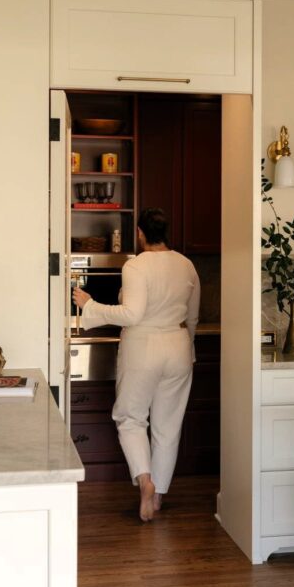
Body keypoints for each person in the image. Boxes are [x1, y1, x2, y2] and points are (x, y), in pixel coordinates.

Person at [72, 208, 200, 522]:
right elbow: (193, 316)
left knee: (130, 418)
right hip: (179, 345)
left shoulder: (136, 265)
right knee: (168, 426)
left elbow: (132, 314)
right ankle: (157, 498)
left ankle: (145, 480)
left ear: (140, 233)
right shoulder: (187, 264)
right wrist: (189, 347)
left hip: (143, 347)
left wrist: (91, 306)